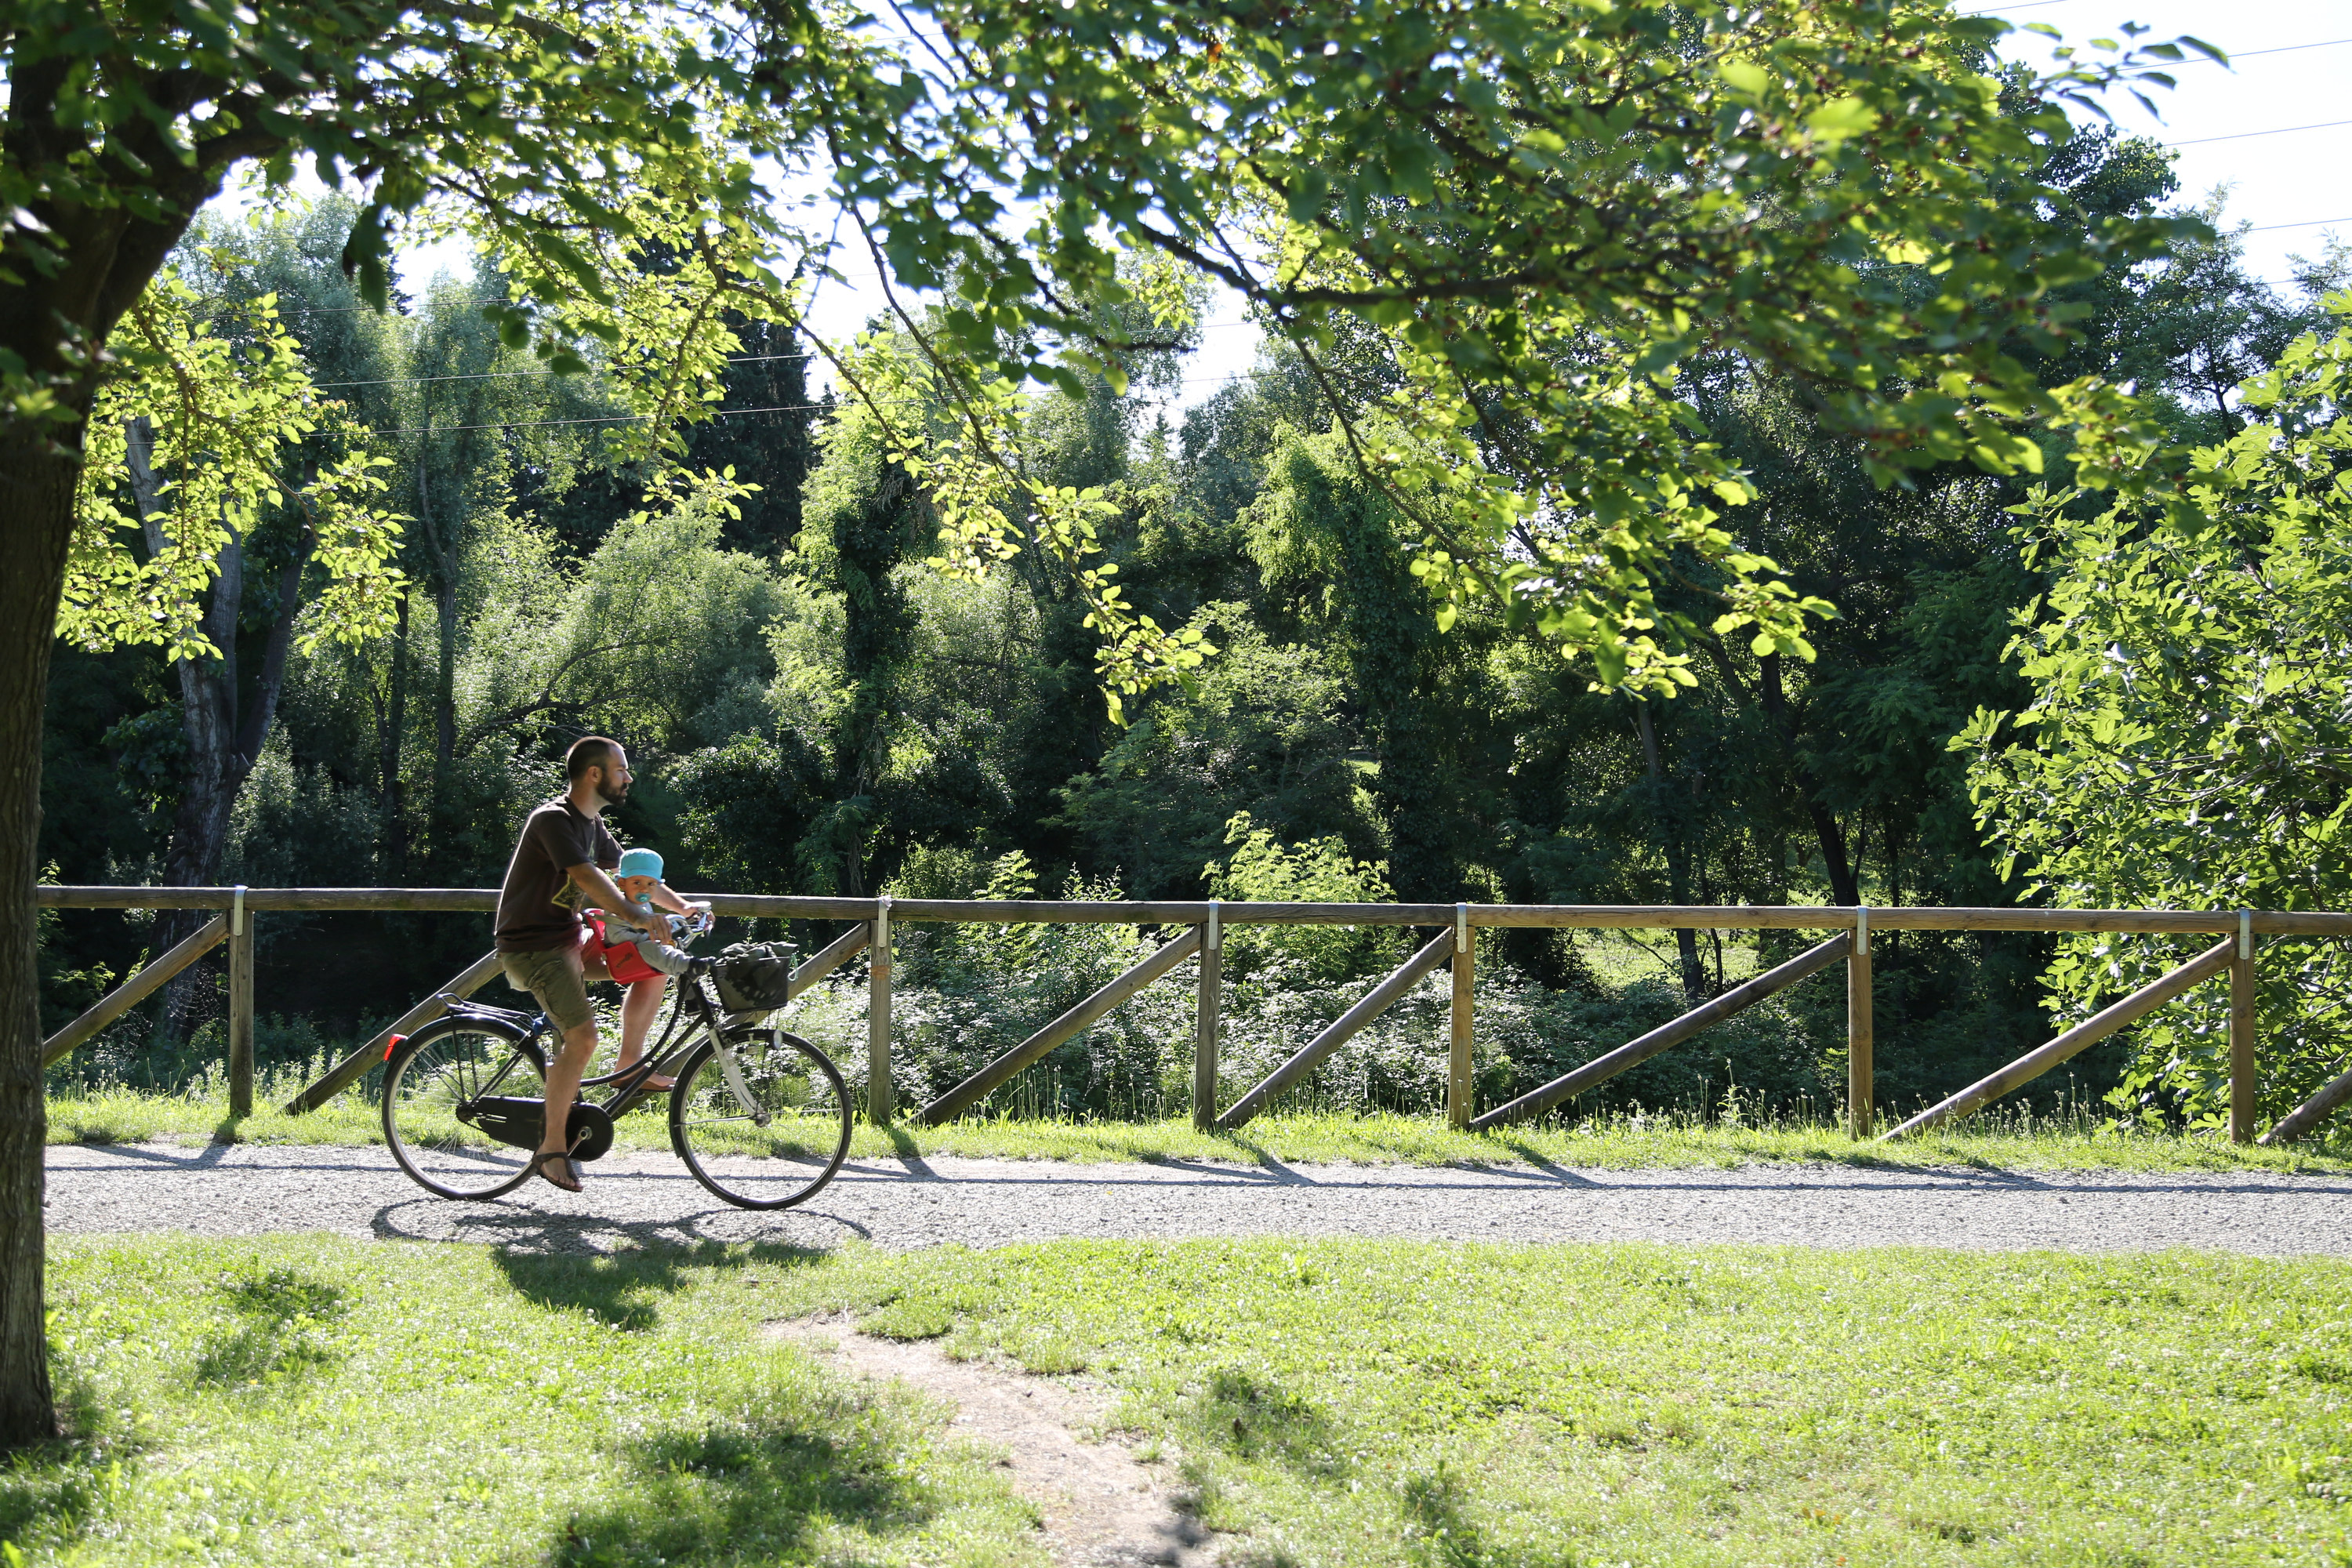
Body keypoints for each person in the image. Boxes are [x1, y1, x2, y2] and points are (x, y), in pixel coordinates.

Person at [492, 736, 700, 1192]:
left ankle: (629, 1063)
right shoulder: (553, 820)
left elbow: (629, 879)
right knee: (582, 1038)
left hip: (572, 938)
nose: (629, 777)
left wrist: (682, 909)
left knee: (655, 965)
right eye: (622, 769)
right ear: (594, 774)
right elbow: (587, 877)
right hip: (535, 947)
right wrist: (639, 917)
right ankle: (550, 1150)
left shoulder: (592, 824)